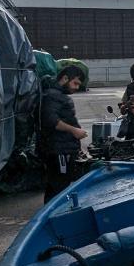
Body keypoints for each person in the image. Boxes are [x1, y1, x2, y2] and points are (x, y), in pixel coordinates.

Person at [39, 65, 88, 201]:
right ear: (65, 78)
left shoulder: (56, 95)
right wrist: (74, 130)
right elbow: (51, 121)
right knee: (58, 186)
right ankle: (54, 216)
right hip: (58, 150)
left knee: (58, 185)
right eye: (75, 83)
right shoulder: (52, 95)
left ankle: (53, 214)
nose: (77, 87)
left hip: (62, 148)